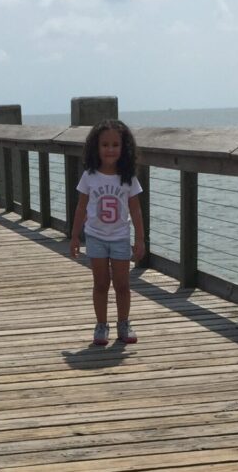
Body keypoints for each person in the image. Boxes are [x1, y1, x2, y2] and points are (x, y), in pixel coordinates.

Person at [69, 119, 145, 345]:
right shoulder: (89, 176)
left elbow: (136, 209)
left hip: (120, 237)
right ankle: (101, 325)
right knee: (101, 284)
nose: (110, 149)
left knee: (122, 284)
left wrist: (140, 239)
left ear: (124, 148)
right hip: (95, 237)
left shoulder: (128, 177)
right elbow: (81, 207)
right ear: (96, 147)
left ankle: (124, 322)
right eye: (105, 145)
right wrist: (74, 236)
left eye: (115, 145)